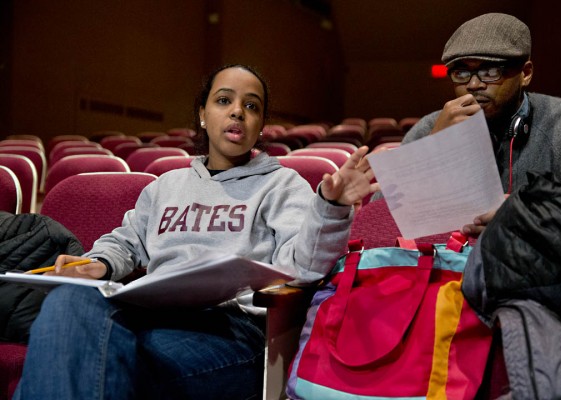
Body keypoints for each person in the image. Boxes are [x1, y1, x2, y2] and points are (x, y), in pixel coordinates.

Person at [14, 64, 378, 400]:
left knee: (79, 361)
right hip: (149, 315)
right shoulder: (165, 186)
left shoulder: (281, 185)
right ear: (203, 115)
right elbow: (125, 240)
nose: (238, 111)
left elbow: (304, 266)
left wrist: (330, 207)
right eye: (224, 100)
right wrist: (100, 263)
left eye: (251, 107)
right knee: (69, 303)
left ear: (261, 125)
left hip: (230, 332)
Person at [376, 13, 561, 237]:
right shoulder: (430, 128)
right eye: (462, 72)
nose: (473, 84)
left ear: (525, 73)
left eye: (490, 71)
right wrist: (435, 149)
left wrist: (525, 215)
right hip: (452, 266)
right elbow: (377, 221)